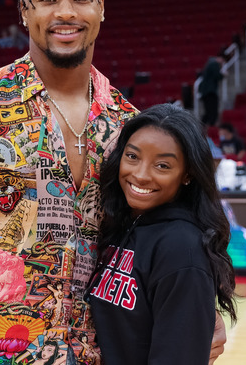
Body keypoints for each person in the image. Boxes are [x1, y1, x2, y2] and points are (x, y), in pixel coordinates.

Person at [0, 0, 225, 365]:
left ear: (101, 8)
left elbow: (167, 239)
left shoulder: (129, 126)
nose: (66, 12)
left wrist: (199, 308)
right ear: (23, 12)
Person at [89, 104, 237, 364]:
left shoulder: (183, 249)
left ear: (188, 174)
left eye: (162, 165)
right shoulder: (122, 226)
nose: (141, 175)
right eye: (133, 157)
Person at [197, 55, 224, 126]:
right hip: (210, 92)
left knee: (208, 112)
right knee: (212, 112)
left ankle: (201, 126)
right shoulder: (214, 64)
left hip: (206, 92)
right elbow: (217, 75)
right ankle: (210, 127)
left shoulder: (209, 64)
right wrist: (223, 75)